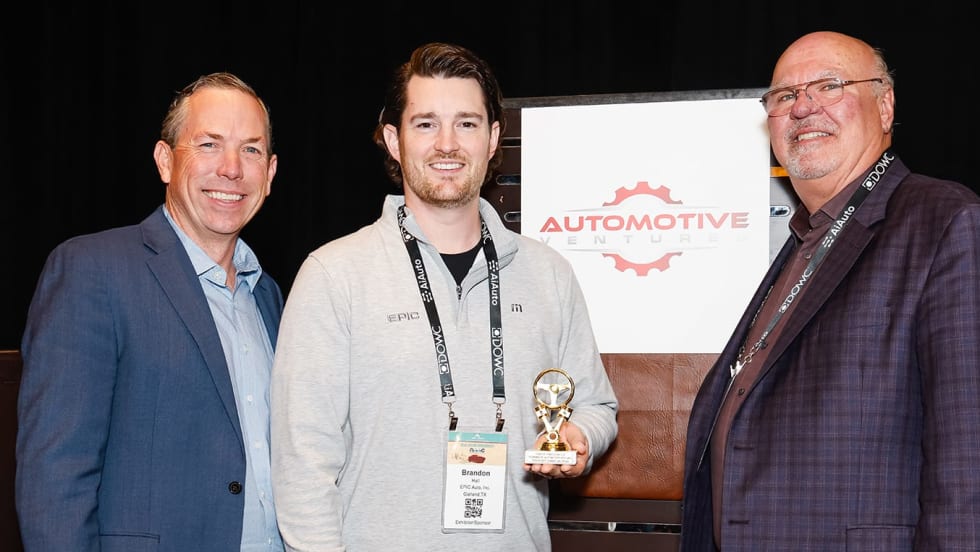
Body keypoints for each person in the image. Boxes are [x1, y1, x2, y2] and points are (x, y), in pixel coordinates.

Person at [270, 42, 619, 551]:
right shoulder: (333, 274)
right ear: (394, 139)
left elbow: (597, 404)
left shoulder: (548, 274)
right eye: (427, 123)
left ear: (494, 137)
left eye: (468, 123)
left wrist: (580, 437)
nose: (447, 144)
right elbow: (303, 462)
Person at [681, 31, 980, 551]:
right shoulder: (804, 242)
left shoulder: (945, 222)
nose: (803, 108)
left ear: (884, 106)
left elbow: (968, 460)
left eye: (828, 85)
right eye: (783, 96)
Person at [16, 72, 285, 551]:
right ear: (165, 161)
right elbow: (54, 477)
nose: (231, 168)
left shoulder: (269, 297)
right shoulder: (92, 271)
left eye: (251, 150)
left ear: (269, 173)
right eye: (208, 144)